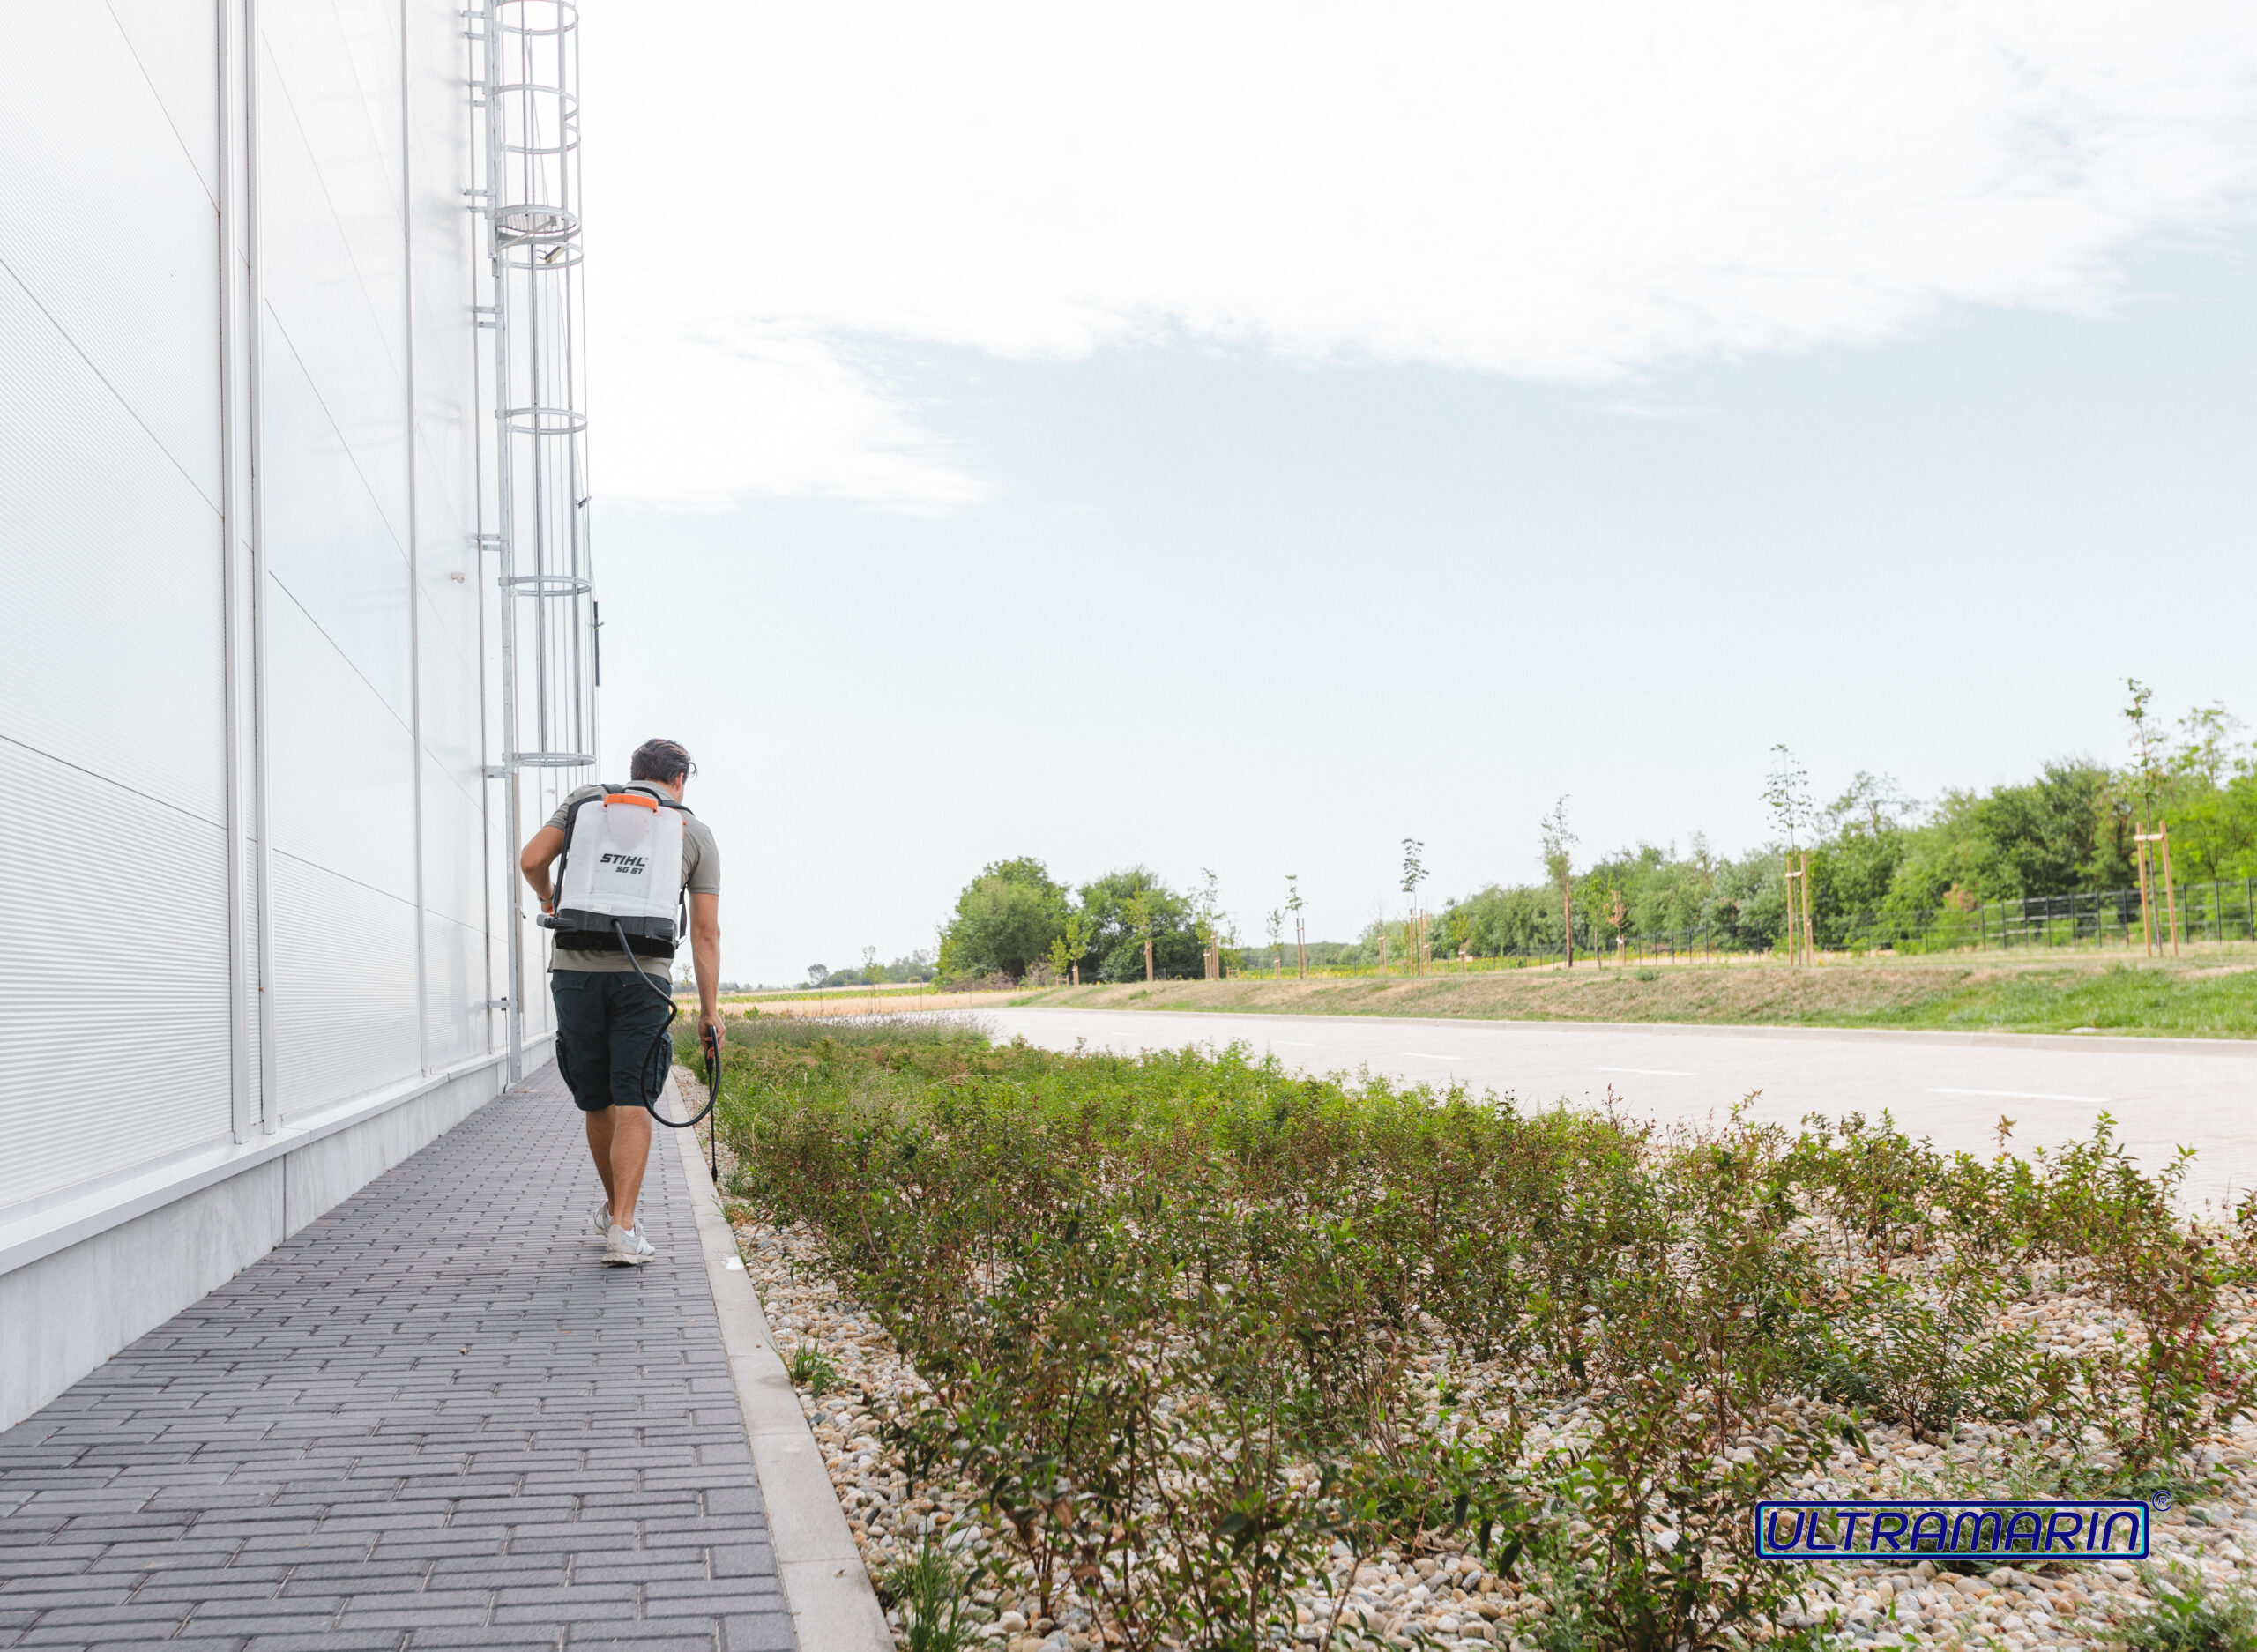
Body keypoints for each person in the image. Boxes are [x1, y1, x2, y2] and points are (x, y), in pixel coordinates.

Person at [518, 738, 722, 1265]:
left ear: (634, 773)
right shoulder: (693, 832)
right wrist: (709, 1011)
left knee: (597, 1097)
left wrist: (547, 899)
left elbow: (532, 859)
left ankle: (616, 1213)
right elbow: (704, 933)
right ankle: (623, 1229)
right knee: (634, 1096)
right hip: (644, 978)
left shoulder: (587, 803)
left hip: (574, 974)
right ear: (680, 780)